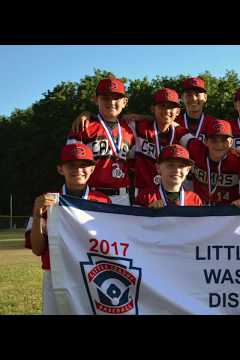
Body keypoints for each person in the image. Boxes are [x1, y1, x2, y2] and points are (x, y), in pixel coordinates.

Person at [25, 144, 111, 314]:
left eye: (84, 165)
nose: (78, 170)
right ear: (60, 169)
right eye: (71, 165)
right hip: (57, 275)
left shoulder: (103, 202)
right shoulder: (48, 201)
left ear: (92, 169)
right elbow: (37, 249)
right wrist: (36, 214)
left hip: (93, 275)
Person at [66, 76, 135, 205]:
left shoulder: (129, 130)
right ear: (95, 100)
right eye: (105, 98)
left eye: (116, 98)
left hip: (122, 196)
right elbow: (70, 163)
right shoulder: (83, 126)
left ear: (125, 102)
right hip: (93, 194)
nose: (111, 102)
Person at [179, 119, 240, 205]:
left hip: (228, 214)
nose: (219, 145)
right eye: (214, 140)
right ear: (205, 141)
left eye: (224, 140)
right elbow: (178, 130)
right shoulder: (197, 150)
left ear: (231, 142)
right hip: (200, 211)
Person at [135, 144, 203, 207]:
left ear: (188, 170)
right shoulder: (145, 197)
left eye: (181, 166)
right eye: (170, 165)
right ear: (158, 168)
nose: (177, 170)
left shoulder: (195, 200)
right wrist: (148, 213)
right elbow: (135, 219)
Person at [175, 77, 217, 143]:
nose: (194, 99)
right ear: (182, 98)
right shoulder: (175, 124)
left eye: (197, 94)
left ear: (205, 97)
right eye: (189, 95)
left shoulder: (214, 124)